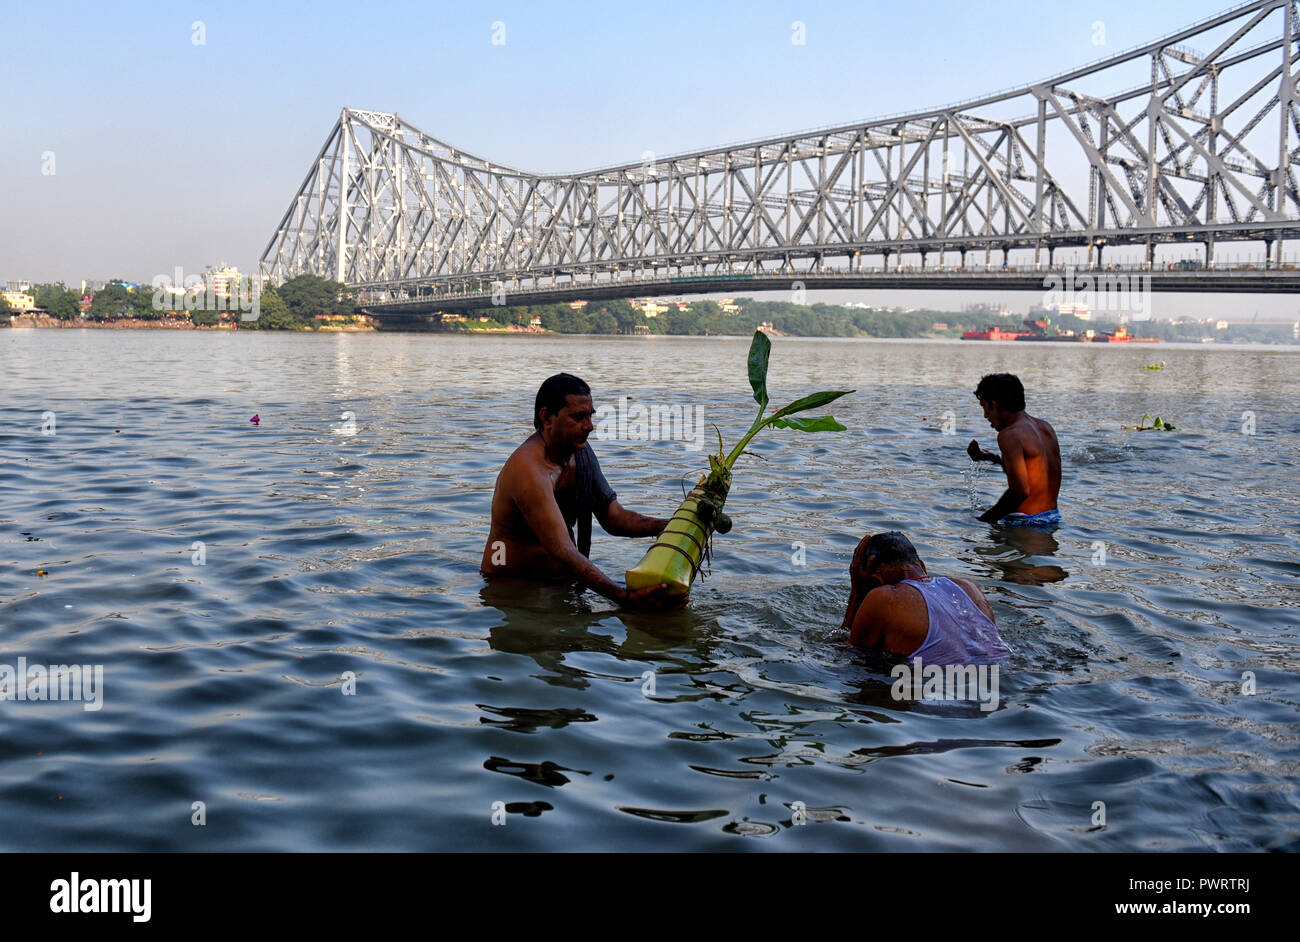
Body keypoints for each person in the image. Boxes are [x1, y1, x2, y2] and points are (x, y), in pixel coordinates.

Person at [481, 372, 680, 609]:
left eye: (590, 416)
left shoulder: (580, 453)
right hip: (510, 589)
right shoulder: (528, 470)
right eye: (578, 417)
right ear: (547, 418)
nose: (589, 426)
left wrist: (675, 526)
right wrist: (623, 598)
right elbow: (562, 550)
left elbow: (614, 518)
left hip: (561, 585)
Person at [842, 532, 1009, 664]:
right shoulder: (969, 587)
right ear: (922, 566)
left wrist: (857, 591)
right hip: (1001, 672)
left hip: (943, 690)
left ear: (873, 572)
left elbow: (847, 654)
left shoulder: (884, 598)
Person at [966, 372, 1062, 527]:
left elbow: (1020, 491)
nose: (985, 416)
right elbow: (1032, 477)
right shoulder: (1045, 427)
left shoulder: (1009, 435)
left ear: (994, 405)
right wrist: (994, 458)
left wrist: (982, 521)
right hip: (1051, 517)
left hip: (1025, 523)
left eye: (985, 408)